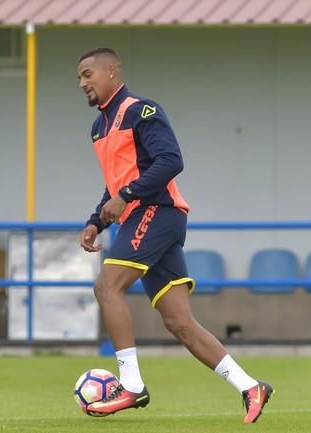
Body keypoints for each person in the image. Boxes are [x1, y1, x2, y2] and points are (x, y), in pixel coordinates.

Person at [76, 48, 273, 423]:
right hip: (140, 217)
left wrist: (126, 197)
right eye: (80, 78)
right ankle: (251, 386)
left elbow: (171, 161)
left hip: (158, 212)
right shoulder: (98, 127)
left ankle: (131, 385)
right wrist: (95, 221)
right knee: (179, 323)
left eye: (88, 74)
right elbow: (116, 183)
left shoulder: (141, 110)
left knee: (107, 287)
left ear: (112, 72)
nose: (83, 83)